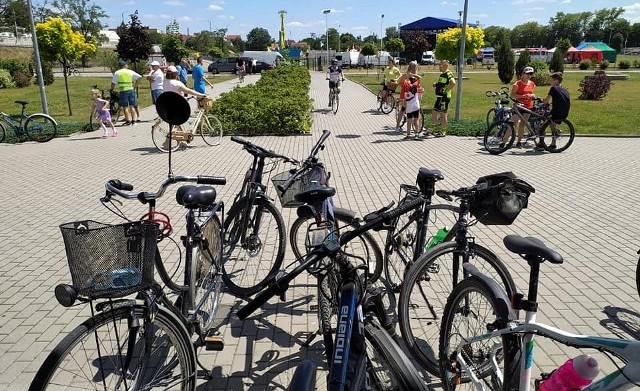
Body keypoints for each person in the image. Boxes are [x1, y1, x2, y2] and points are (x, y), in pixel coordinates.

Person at [540, 72, 570, 150]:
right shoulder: (564, 89)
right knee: (552, 123)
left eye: (551, 80)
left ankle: (541, 142)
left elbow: (546, 100)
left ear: (556, 81)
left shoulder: (554, 88)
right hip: (564, 111)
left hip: (557, 111)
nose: (550, 82)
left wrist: (541, 101)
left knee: (543, 121)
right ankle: (553, 144)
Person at [510, 66, 537, 148]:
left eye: (531, 74)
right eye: (527, 74)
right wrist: (523, 96)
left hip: (528, 106)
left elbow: (532, 93)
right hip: (519, 106)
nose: (529, 75)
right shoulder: (517, 84)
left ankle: (519, 142)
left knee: (522, 124)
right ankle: (507, 141)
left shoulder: (532, 83)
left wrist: (532, 95)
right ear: (523, 74)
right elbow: (512, 95)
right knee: (513, 124)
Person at [110, 59, 142, 126]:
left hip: (123, 90)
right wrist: (135, 85)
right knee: (132, 106)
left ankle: (128, 120)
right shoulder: (130, 72)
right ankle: (134, 121)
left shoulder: (117, 73)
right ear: (125, 65)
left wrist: (111, 89)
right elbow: (139, 77)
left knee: (125, 107)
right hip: (131, 90)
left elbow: (113, 83)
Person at [430, 60, 456, 137]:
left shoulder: (448, 73)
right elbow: (443, 84)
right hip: (439, 97)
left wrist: (446, 90)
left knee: (443, 114)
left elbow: (453, 83)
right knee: (434, 113)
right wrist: (436, 84)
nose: (439, 67)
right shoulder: (442, 74)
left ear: (445, 66)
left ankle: (443, 131)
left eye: (440, 66)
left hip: (444, 97)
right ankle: (433, 129)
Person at [395, 60, 421, 131]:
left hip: (413, 94)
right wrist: (405, 87)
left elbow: (418, 83)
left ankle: (413, 125)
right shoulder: (406, 75)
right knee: (403, 109)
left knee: (408, 109)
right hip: (405, 94)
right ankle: (397, 126)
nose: (416, 68)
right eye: (415, 67)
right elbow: (399, 82)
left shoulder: (415, 75)